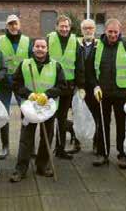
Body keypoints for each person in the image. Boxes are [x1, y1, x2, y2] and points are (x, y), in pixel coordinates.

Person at [9, 38, 66, 182]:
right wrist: (28, 94)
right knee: (26, 139)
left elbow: (62, 86)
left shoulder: (56, 66)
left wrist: (48, 94)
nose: (40, 49)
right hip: (29, 108)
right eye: (37, 46)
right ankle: (20, 169)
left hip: (48, 108)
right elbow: (15, 83)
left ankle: (42, 166)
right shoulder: (24, 64)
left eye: (43, 46)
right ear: (33, 48)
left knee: (47, 136)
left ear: (47, 49)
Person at [92, 18, 126, 168]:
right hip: (102, 93)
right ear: (105, 31)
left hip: (121, 93)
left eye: (115, 32)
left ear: (120, 32)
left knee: (121, 124)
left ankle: (122, 154)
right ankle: (102, 154)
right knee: (102, 124)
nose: (112, 35)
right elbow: (91, 69)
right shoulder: (97, 46)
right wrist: (95, 86)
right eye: (110, 31)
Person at [0, 14, 32, 159]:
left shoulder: (26, 41)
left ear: (19, 25)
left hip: (20, 82)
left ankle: (27, 145)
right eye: (10, 24)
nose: (13, 26)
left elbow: (31, 60)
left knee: (27, 113)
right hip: (4, 82)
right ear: (7, 26)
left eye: (15, 23)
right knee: (3, 114)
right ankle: (5, 146)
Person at [47, 15, 80, 160]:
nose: (64, 29)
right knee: (49, 117)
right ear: (56, 27)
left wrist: (80, 85)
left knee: (62, 117)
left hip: (68, 85)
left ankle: (60, 149)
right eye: (62, 26)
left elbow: (79, 64)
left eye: (66, 26)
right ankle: (46, 148)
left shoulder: (75, 41)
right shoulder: (49, 39)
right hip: (51, 84)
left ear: (70, 27)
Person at [76, 19, 100, 150]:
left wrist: (98, 85)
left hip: (94, 87)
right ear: (81, 30)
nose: (88, 30)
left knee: (96, 115)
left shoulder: (100, 45)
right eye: (85, 28)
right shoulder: (76, 44)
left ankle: (96, 142)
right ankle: (76, 140)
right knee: (78, 114)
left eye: (90, 28)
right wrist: (78, 86)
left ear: (95, 29)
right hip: (79, 87)